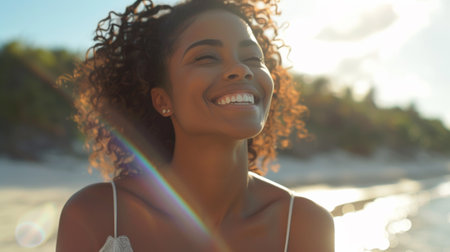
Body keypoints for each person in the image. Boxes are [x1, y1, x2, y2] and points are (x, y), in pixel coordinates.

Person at [56, 0, 334, 251]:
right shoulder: (97, 215)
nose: (242, 69)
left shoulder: (304, 224)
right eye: (206, 57)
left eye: (252, 58)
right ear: (163, 100)